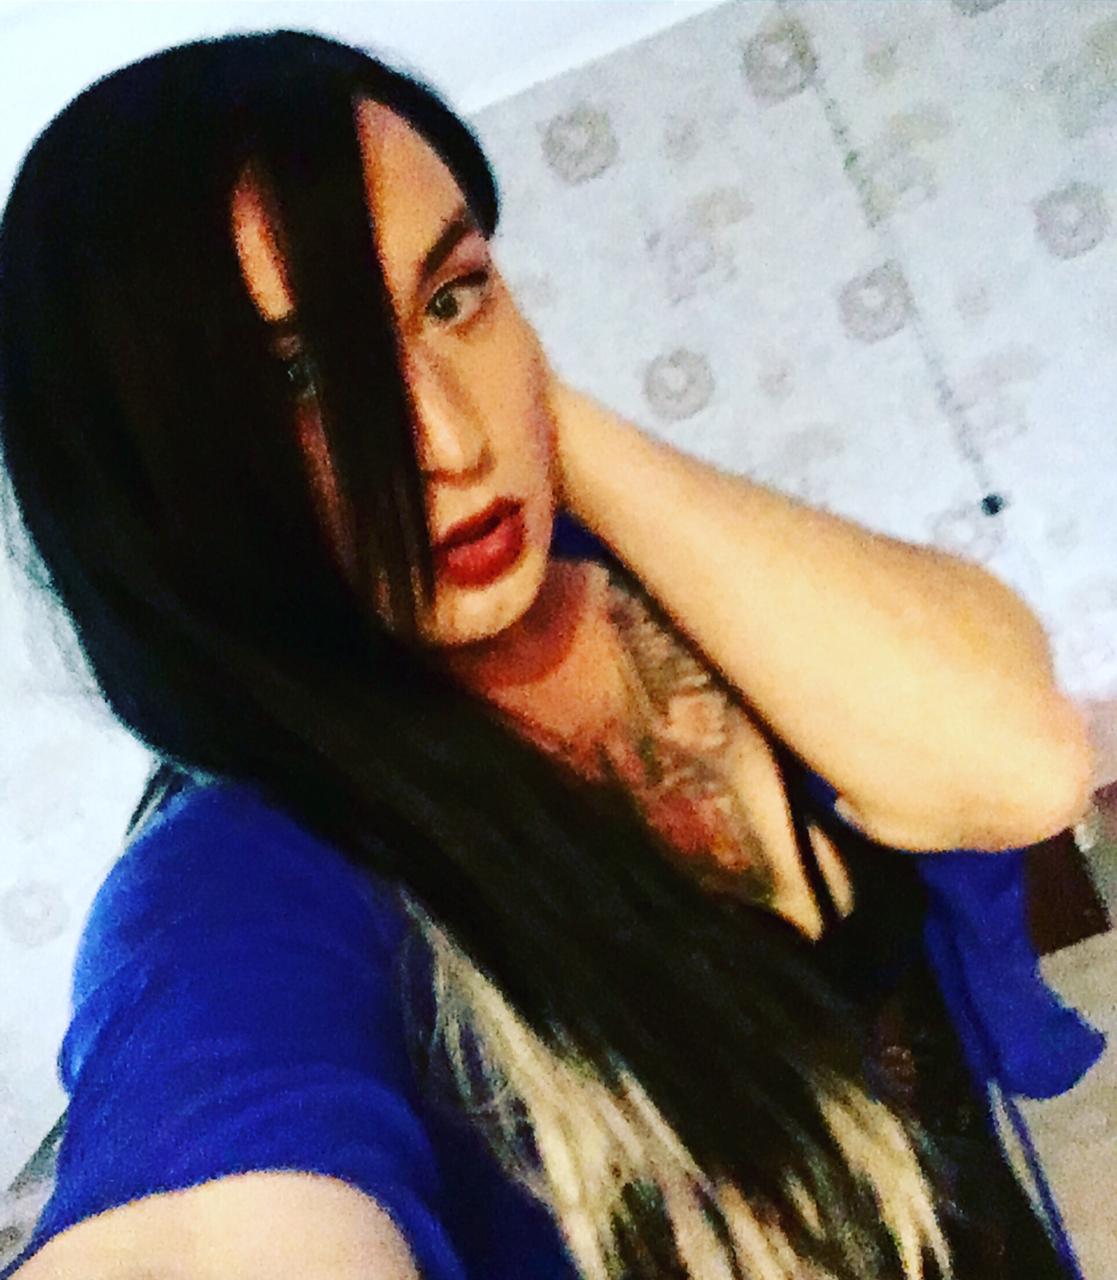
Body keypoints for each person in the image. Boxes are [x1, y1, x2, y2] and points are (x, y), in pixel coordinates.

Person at [0, 30, 1102, 1280]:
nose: (448, 439)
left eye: (453, 293)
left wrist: (537, 409)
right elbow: (208, 1202)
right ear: (157, 485)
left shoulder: (684, 596)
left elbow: (1021, 764)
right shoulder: (240, 877)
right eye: (302, 375)